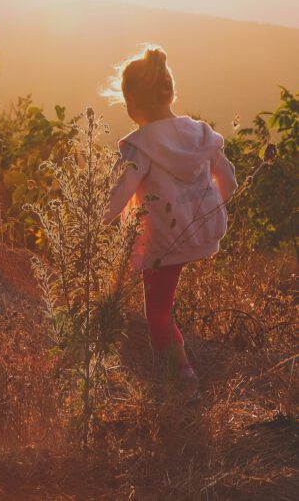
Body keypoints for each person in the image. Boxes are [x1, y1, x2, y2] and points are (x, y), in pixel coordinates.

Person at [103, 45, 238, 383]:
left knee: (157, 311)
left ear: (133, 103)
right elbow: (230, 181)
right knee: (161, 303)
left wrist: (93, 224)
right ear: (169, 90)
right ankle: (175, 371)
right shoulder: (200, 134)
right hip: (201, 235)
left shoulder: (141, 144)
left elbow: (118, 193)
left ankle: (181, 377)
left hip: (163, 243)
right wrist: (205, 210)